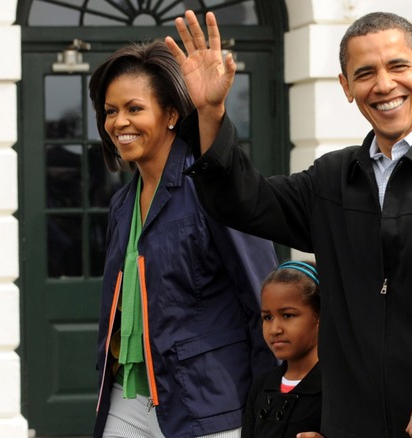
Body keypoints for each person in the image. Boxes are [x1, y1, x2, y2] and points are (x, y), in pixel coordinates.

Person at [165, 10, 412, 437]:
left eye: (398, 66)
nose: (383, 85)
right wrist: (211, 113)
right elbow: (245, 201)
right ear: (346, 87)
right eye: (365, 73)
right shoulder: (332, 179)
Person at [88, 40, 278, 438]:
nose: (118, 123)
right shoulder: (122, 204)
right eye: (110, 112)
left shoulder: (214, 189)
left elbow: (264, 302)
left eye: (134, 108)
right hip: (128, 394)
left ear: (171, 113)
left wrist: (269, 407)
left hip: (209, 402)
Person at [242, 261, 323, 438]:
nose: (275, 329)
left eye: (287, 315)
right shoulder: (261, 387)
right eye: (267, 317)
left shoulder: (335, 389)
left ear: (319, 317)